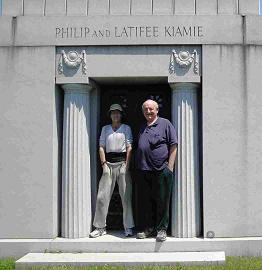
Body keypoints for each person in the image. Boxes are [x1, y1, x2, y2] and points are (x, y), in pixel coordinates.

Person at [90, 104, 134, 238]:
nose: (115, 115)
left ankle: (128, 227)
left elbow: (129, 147)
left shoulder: (126, 128)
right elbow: (101, 146)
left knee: (126, 197)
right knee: (102, 197)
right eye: (113, 113)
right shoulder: (105, 129)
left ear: (121, 115)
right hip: (108, 164)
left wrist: (126, 165)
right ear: (110, 115)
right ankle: (100, 227)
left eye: (118, 113)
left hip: (122, 163)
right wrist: (103, 164)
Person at [136, 99, 178, 242]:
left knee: (162, 201)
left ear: (157, 110)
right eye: (146, 109)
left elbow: (173, 145)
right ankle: (148, 228)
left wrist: (170, 167)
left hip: (161, 170)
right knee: (146, 201)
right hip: (144, 170)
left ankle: (161, 229)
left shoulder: (165, 124)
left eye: (151, 109)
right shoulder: (142, 126)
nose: (148, 111)